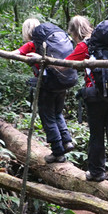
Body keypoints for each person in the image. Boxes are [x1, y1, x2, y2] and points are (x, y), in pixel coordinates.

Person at [66, 15, 108, 186]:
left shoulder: (85, 46)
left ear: (74, 32)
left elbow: (64, 64)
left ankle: (96, 172)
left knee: (96, 134)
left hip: (95, 95)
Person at [18, 18, 75, 164]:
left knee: (48, 116)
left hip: (47, 84)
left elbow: (13, 53)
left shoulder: (31, 45)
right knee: (57, 113)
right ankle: (67, 141)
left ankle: (58, 152)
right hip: (62, 81)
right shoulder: (51, 43)